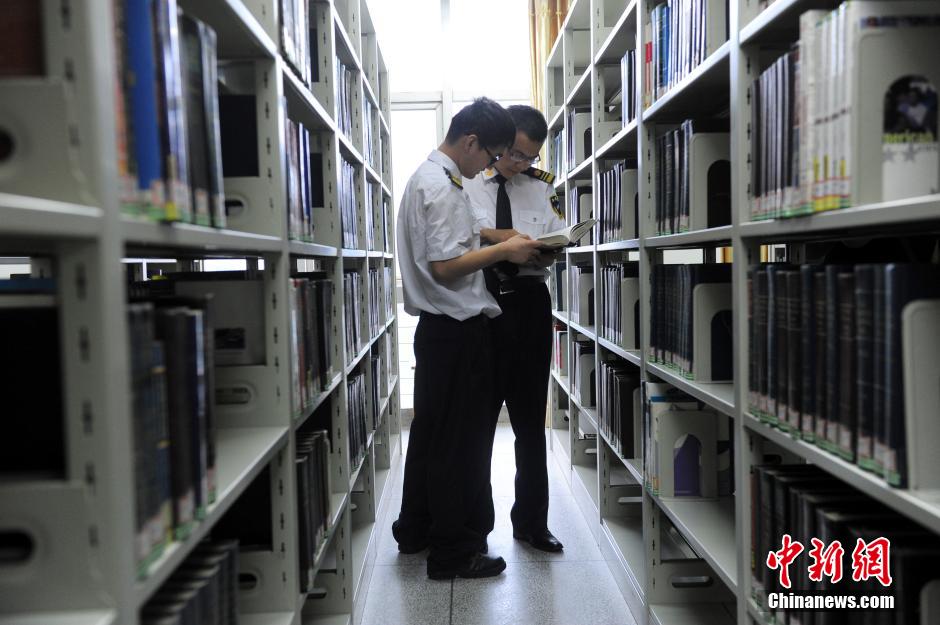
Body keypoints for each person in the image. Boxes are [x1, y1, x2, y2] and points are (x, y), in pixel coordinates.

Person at [392, 97, 543, 580]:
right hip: (456, 333)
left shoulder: (430, 178)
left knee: (434, 437)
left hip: (439, 334)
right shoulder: (442, 185)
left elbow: (452, 245)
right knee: (462, 447)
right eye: (491, 154)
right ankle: (454, 553)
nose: (490, 167)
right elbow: (445, 266)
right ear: (471, 142)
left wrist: (497, 239)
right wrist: (508, 247)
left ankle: (415, 530)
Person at [462, 104, 566, 552]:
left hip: (529, 304)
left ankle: (532, 523)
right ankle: (475, 528)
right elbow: (466, 235)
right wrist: (506, 240)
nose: (521, 164)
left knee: (529, 421)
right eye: (516, 154)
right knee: (480, 423)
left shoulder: (543, 189)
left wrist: (546, 249)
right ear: (502, 143)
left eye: (530, 158)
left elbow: (559, 235)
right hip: (484, 305)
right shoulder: (467, 180)